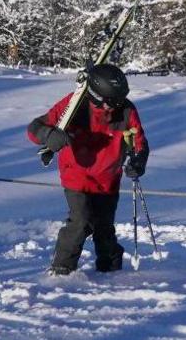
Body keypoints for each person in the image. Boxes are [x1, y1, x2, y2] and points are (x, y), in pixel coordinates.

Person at [27, 64, 149, 275]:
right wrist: (49, 135)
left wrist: (138, 162)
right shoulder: (73, 105)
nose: (117, 106)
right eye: (112, 102)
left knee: (104, 226)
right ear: (96, 97)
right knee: (80, 221)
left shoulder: (126, 110)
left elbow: (140, 143)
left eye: (120, 100)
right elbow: (34, 128)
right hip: (76, 174)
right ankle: (61, 269)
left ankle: (110, 269)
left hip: (108, 178)